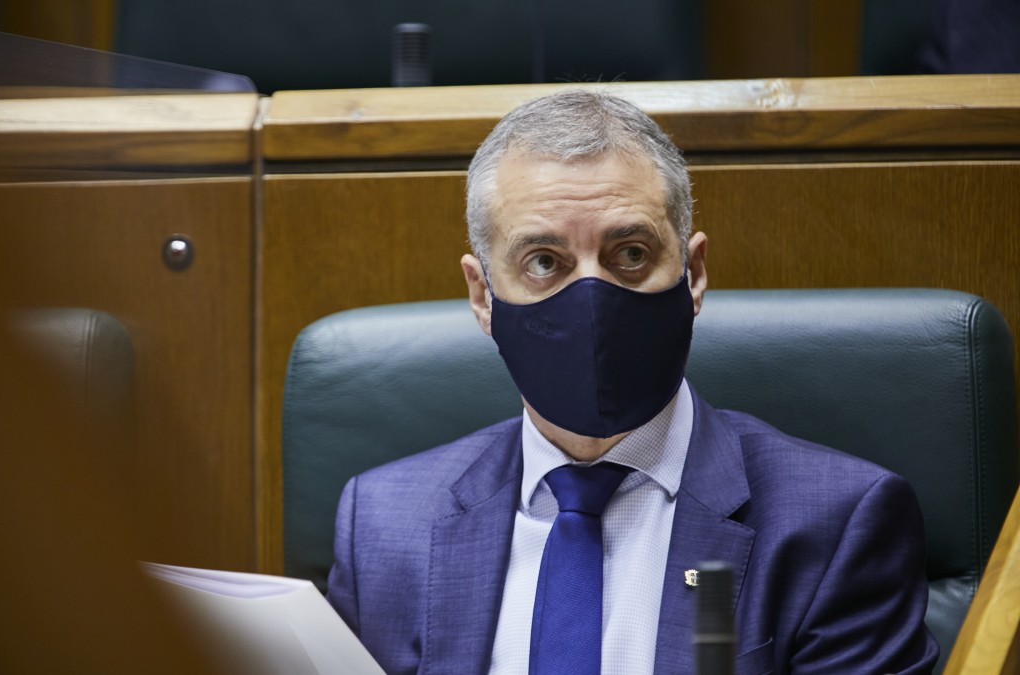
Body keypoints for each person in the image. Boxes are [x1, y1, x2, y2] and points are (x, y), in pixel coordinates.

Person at [326, 89, 939, 674]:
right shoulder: (383, 525)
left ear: (693, 273)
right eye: (544, 262)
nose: (592, 297)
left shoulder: (835, 525)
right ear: (483, 295)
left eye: (631, 254)